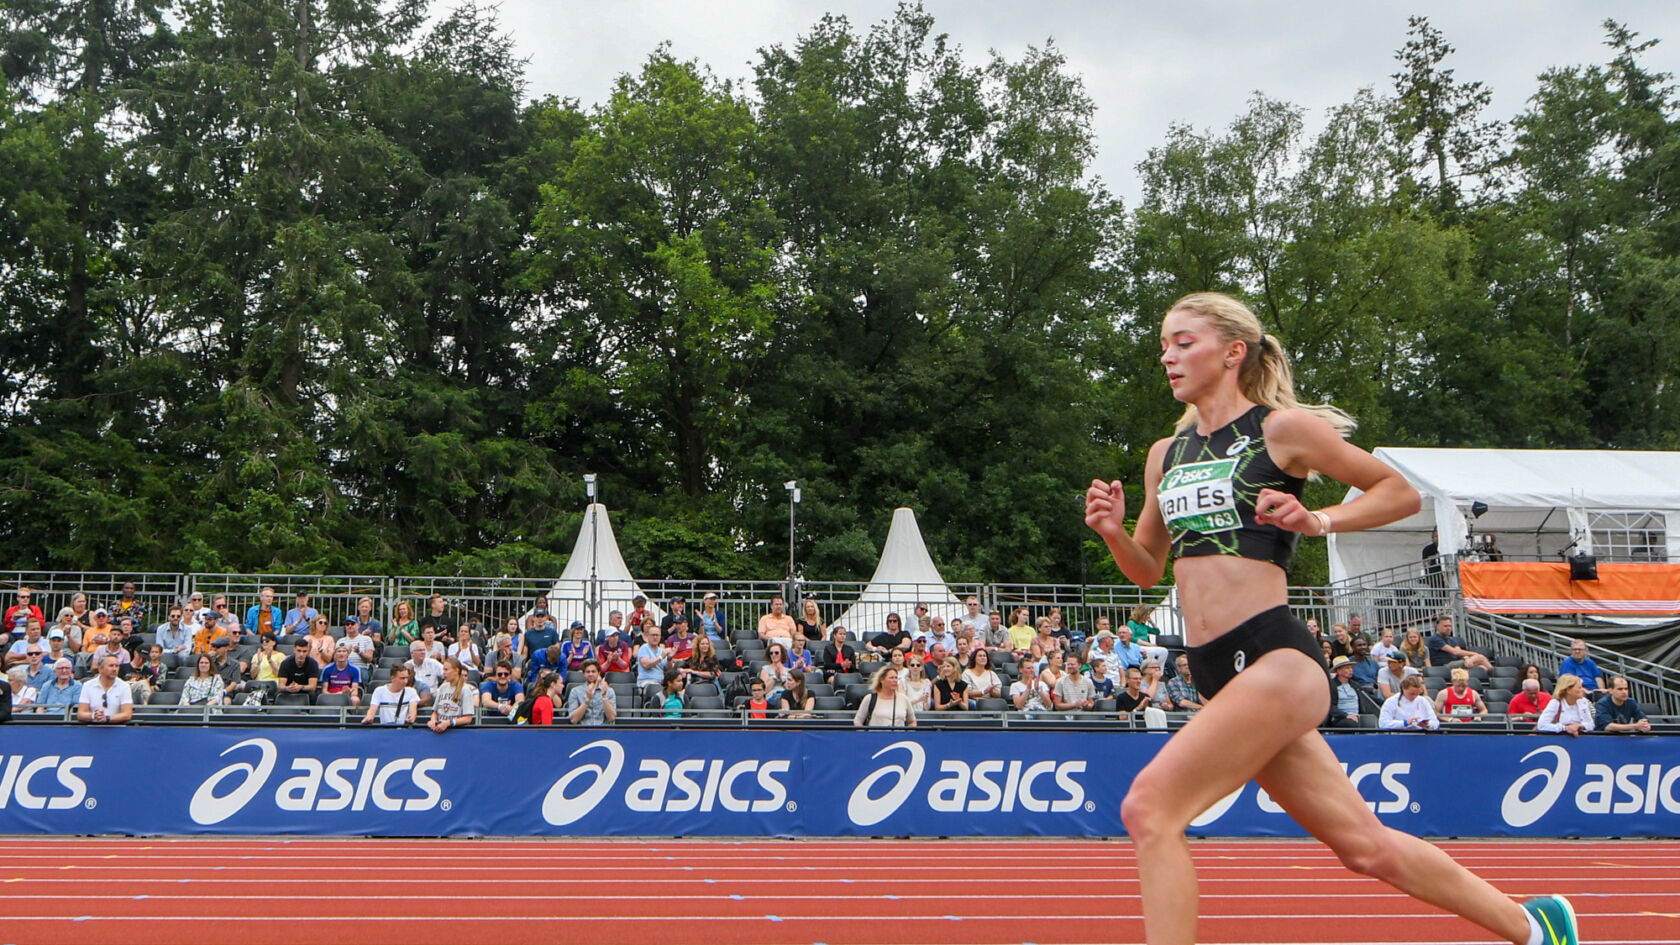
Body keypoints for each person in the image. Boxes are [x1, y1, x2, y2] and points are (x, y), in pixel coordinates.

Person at [1083, 291, 1572, 945]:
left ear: (1233, 352)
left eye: (1183, 342)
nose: (1167, 356)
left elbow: (1397, 492)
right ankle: (1536, 926)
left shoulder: (1280, 430)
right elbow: (1147, 569)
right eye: (1164, 344)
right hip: (1215, 674)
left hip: (1274, 658)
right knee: (1365, 846)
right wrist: (1114, 532)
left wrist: (1319, 519)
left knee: (1149, 806)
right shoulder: (1163, 455)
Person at [78, 655, 134, 724]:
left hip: (117, 729)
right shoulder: (87, 685)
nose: (114, 669)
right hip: (93, 728)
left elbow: (127, 714)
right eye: (111, 666)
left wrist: (107, 718)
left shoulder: (124, 687)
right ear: (100, 669)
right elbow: (81, 714)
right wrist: (94, 715)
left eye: (116, 666)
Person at [1426, 615, 1492, 672]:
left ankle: (1492, 674)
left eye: (1449, 626)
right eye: (1445, 626)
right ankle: (1493, 673)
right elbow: (1455, 652)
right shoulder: (1435, 639)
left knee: (1483, 668)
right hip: (1444, 666)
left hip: (1456, 663)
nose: (1448, 628)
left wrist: (1467, 659)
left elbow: (1460, 652)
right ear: (1438, 626)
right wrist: (1475, 654)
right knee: (1480, 657)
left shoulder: (1451, 639)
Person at [426, 657, 474, 732]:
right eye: (443, 670)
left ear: (456, 670)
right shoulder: (443, 687)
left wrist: (449, 723)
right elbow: (435, 711)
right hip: (439, 730)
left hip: (456, 732)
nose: (444, 672)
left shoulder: (465, 690)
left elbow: (468, 718)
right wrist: (433, 720)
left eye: (446, 670)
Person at [565, 660, 617, 726]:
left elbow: (612, 718)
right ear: (584, 674)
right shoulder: (575, 691)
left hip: (603, 731)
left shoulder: (609, 691)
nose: (590, 674)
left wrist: (604, 697)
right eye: (588, 672)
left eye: (593, 671)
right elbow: (573, 720)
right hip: (583, 731)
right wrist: (587, 700)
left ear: (599, 673)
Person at [637, 626, 673, 707]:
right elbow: (646, 665)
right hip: (646, 681)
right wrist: (661, 657)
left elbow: (669, 669)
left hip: (661, 682)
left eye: (657, 635)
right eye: (653, 635)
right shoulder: (644, 648)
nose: (655, 637)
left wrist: (669, 659)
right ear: (648, 636)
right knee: (657, 689)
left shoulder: (661, 650)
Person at [277, 639, 321, 704]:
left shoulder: (313, 663)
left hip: (305, 690)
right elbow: (281, 685)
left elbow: (313, 686)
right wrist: (287, 688)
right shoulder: (285, 663)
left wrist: (300, 687)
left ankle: (309, 713)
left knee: (313, 695)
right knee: (277, 694)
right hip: (289, 689)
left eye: (304, 651)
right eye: (299, 651)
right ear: (294, 650)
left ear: (308, 652)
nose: (301, 654)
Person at [1326, 656, 1363, 728]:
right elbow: (1330, 707)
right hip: (1339, 719)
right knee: (1350, 724)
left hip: (1357, 717)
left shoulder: (1355, 685)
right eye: (1347, 668)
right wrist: (1346, 715)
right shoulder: (1332, 686)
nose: (1350, 670)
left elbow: (1367, 697)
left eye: (1351, 668)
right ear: (1338, 671)